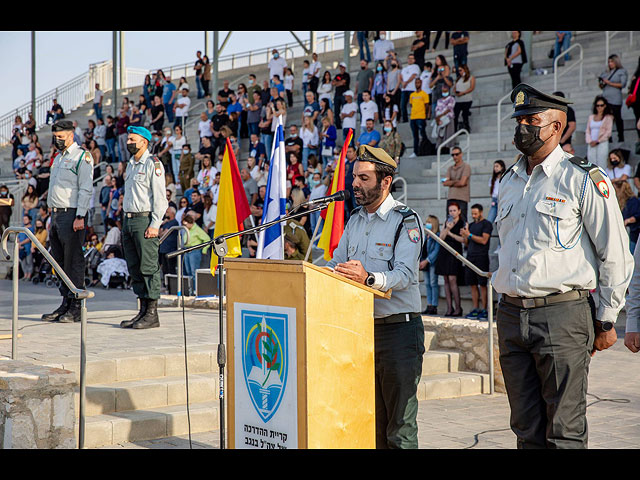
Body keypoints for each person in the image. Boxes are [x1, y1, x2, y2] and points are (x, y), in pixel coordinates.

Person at [494, 83, 633, 449]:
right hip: (510, 315)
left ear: (556, 128)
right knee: (525, 429)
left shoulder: (583, 178)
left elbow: (615, 253)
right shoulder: (508, 181)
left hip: (562, 315)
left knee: (564, 432)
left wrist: (606, 319)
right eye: (519, 119)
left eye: (531, 120)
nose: (521, 126)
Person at [326, 145, 424, 449]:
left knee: (400, 427)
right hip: (362, 332)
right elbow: (335, 263)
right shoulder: (355, 220)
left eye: (364, 178)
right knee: (371, 422)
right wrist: (313, 273)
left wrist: (368, 278)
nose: (354, 184)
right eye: (355, 176)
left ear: (385, 182)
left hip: (398, 332)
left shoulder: (405, 220)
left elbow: (405, 275)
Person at [41, 120, 94, 323]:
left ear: (71, 135)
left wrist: (80, 215)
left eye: (61, 137)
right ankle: (65, 302)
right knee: (59, 262)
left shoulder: (82, 157)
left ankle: (76, 306)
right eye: (56, 137)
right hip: (56, 214)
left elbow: (85, 188)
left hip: (72, 214)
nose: (58, 140)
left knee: (73, 262)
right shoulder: (58, 158)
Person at [119, 126, 169, 330]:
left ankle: (152, 313)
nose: (129, 142)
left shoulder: (152, 164)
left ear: (144, 142)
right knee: (135, 267)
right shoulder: (131, 164)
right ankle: (142, 309)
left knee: (148, 267)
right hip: (129, 219)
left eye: (133, 139)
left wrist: (155, 224)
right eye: (128, 139)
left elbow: (160, 198)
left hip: (144, 220)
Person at [460, 204, 492, 320]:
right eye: (472, 214)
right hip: (470, 257)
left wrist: (470, 235)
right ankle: (475, 308)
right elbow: (467, 243)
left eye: (475, 214)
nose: (473, 216)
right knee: (472, 284)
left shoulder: (486, 224)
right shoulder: (471, 225)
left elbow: (484, 240)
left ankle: (485, 309)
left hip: (481, 257)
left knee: (482, 284)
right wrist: (465, 235)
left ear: (481, 212)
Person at [435, 202, 465, 317]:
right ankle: (449, 308)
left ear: (459, 211)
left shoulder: (462, 223)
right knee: (446, 280)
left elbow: (463, 240)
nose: (452, 212)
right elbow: (441, 238)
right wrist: (447, 228)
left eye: (454, 210)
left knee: (453, 279)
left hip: (455, 252)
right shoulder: (447, 222)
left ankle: (458, 307)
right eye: (450, 211)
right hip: (444, 252)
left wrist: (451, 234)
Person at [599, 54, 628, 143]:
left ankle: (621, 137)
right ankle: (608, 137)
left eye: (612, 61)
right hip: (606, 98)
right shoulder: (606, 73)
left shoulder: (621, 71)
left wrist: (610, 83)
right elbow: (601, 86)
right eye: (609, 62)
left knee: (617, 117)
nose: (610, 64)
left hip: (615, 98)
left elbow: (622, 84)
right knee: (607, 118)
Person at [180, 214, 211, 293]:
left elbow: (207, 239)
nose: (185, 226)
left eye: (186, 224)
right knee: (188, 271)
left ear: (190, 223)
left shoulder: (197, 229)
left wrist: (204, 250)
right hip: (187, 251)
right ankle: (190, 290)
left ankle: (195, 290)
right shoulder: (186, 230)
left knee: (194, 272)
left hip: (195, 251)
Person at [585, 95, 614, 169]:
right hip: (591, 143)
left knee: (602, 162)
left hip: (602, 142)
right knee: (591, 162)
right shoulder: (591, 117)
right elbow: (588, 130)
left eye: (601, 105)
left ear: (605, 106)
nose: (599, 107)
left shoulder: (608, 117)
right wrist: (590, 141)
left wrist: (598, 141)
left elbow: (608, 132)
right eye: (597, 105)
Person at [419, 215, 440, 314]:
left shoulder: (436, 235)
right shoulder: (424, 235)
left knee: (433, 283)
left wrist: (427, 260)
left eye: (429, 222)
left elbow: (436, 251)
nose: (427, 224)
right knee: (427, 284)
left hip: (432, 262)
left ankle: (434, 305)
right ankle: (429, 304)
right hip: (424, 262)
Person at [442, 146, 470, 221]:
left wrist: (451, 182)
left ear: (461, 154)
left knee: (462, 220)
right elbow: (444, 183)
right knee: (450, 220)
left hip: (462, 198)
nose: (455, 156)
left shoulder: (466, 166)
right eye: (453, 155)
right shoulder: (450, 168)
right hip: (451, 197)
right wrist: (456, 181)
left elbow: (462, 182)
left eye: (457, 154)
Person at [408, 78, 430, 158]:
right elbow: (411, 105)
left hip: (421, 117)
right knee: (415, 135)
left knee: (423, 134)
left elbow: (427, 105)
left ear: (421, 83)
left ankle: (426, 148)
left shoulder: (424, 94)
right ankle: (415, 152)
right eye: (416, 83)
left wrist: (426, 115)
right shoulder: (412, 95)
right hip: (413, 117)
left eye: (418, 83)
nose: (417, 84)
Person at [617, 181, 640, 253]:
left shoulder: (633, 201)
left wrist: (627, 221)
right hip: (628, 232)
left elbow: (637, 215)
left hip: (634, 232)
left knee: (632, 252)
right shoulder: (623, 202)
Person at [432, 84, 456, 150]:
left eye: (446, 91)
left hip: (448, 118)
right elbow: (436, 109)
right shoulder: (439, 100)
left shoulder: (451, 98)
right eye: (443, 91)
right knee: (439, 134)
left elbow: (449, 109)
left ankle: (449, 148)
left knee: (448, 134)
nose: (444, 92)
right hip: (440, 119)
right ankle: (439, 148)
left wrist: (440, 115)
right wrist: (437, 117)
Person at [453, 65, 475, 133]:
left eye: (461, 70)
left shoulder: (471, 78)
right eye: (459, 70)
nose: (460, 72)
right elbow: (454, 88)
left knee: (464, 114)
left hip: (466, 99)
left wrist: (463, 92)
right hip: (458, 100)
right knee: (455, 115)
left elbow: (472, 87)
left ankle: (467, 128)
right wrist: (456, 93)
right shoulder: (458, 79)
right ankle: (455, 130)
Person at [400, 54, 421, 123]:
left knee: (413, 104)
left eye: (412, 58)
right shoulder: (404, 68)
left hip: (412, 88)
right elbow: (401, 76)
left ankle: (415, 117)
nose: (410, 60)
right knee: (403, 104)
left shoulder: (415, 67)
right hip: (404, 89)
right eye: (409, 58)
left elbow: (413, 75)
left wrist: (406, 82)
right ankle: (405, 119)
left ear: (414, 60)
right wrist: (402, 82)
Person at [332, 62, 351, 129]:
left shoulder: (347, 75)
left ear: (345, 68)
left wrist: (338, 83)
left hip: (344, 94)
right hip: (337, 94)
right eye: (340, 67)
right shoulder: (337, 75)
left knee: (345, 110)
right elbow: (333, 83)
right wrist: (339, 83)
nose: (341, 68)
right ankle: (338, 126)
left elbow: (343, 83)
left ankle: (346, 124)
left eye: (342, 67)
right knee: (336, 111)